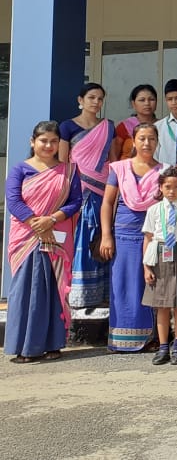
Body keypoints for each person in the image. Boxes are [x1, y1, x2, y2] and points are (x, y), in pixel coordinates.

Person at [5, 121, 83, 363]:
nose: (48, 145)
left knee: (54, 289)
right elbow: (13, 200)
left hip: (56, 237)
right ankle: (24, 347)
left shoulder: (69, 171)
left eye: (53, 141)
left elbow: (75, 201)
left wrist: (51, 220)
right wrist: (37, 224)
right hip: (26, 237)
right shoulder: (20, 169)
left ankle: (53, 344)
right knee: (25, 291)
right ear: (33, 142)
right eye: (43, 141)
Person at [98, 123, 167, 353]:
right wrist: (106, 235)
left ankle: (150, 338)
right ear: (134, 141)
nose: (147, 143)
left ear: (157, 142)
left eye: (151, 139)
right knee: (123, 285)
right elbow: (107, 203)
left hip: (154, 236)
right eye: (142, 138)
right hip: (123, 234)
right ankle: (120, 340)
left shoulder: (165, 171)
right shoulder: (119, 168)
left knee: (150, 284)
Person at [59, 82, 118, 310]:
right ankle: (80, 293)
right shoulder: (67, 127)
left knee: (102, 235)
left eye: (100, 98)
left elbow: (113, 162)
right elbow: (63, 163)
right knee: (82, 236)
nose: (96, 102)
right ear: (80, 100)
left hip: (104, 188)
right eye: (92, 97)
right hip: (79, 188)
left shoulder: (108, 127)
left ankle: (103, 292)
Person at [141, 166, 177, 366]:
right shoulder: (154, 210)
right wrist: (146, 267)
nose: (172, 191)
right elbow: (148, 238)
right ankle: (163, 346)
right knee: (161, 305)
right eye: (168, 187)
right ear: (160, 187)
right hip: (159, 255)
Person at [115, 84, 159, 159]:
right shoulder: (124, 127)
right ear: (133, 103)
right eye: (142, 100)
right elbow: (114, 155)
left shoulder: (163, 126)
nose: (147, 103)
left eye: (151, 99)